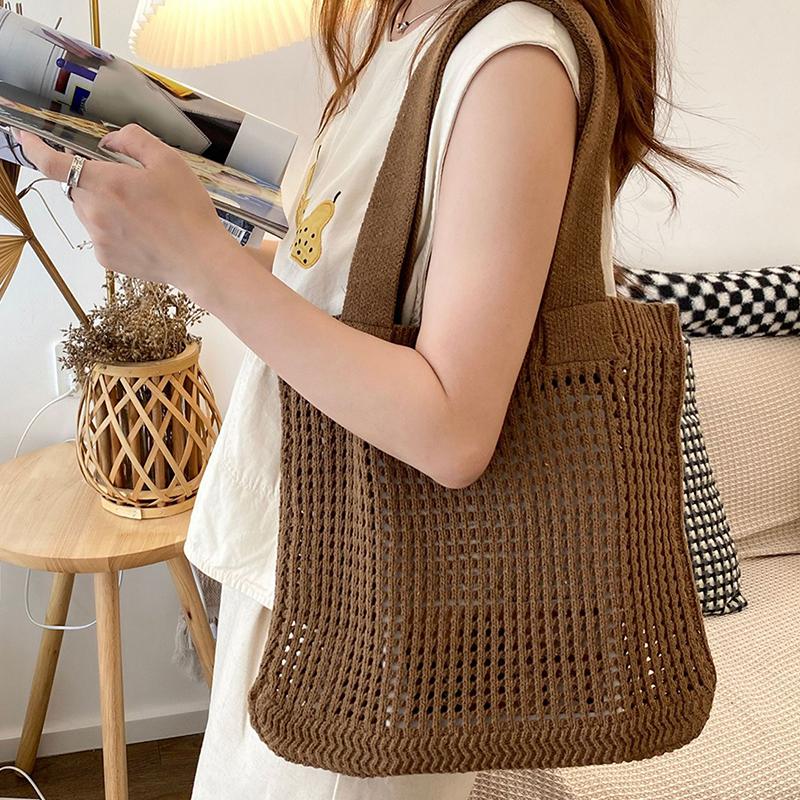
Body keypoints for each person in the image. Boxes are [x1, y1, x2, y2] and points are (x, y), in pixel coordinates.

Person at [15, 0, 727, 796]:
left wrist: (197, 259)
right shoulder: (399, 31)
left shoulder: (510, 59)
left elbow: (452, 428)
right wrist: (193, 232)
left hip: (369, 621)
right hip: (310, 585)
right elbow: (345, 305)